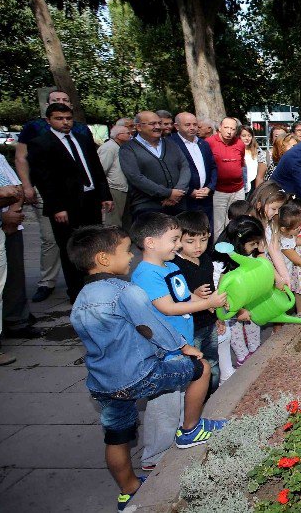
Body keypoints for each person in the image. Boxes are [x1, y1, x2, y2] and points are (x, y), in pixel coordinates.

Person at [67, 225, 225, 511]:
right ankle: (190, 429)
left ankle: (128, 491)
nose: (131, 256)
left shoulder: (81, 298)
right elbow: (152, 327)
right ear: (104, 259)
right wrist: (183, 347)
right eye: (126, 251)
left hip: (103, 383)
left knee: (117, 437)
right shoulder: (125, 291)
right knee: (200, 368)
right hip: (140, 374)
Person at [129, 212, 227, 472]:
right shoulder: (147, 274)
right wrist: (208, 303)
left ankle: (188, 428)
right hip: (165, 348)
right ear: (150, 242)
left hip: (179, 342)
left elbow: (182, 300)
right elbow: (167, 307)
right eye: (174, 239)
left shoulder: (170, 266)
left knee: (190, 383)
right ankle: (154, 457)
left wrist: (197, 299)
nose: (178, 245)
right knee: (165, 404)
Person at [27, 103, 114, 303]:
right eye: (59, 118)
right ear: (48, 120)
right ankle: (76, 291)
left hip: (90, 200)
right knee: (70, 247)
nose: (65, 122)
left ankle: (96, 284)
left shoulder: (82, 139)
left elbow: (96, 168)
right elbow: (44, 179)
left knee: (93, 243)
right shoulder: (41, 143)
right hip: (66, 205)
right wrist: (57, 206)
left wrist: (105, 195)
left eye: (68, 118)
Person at [15, 90, 91, 302]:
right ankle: (47, 282)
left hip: (83, 196)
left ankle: (87, 281)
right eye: (56, 101)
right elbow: (23, 159)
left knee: (87, 239)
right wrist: (27, 186)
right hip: (51, 194)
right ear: (47, 111)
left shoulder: (81, 130)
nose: (61, 103)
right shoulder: (34, 130)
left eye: (65, 101)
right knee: (52, 239)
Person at [173, 211, 221, 392]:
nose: (198, 246)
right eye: (190, 241)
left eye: (203, 240)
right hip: (191, 327)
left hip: (209, 323)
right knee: (197, 368)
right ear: (178, 240)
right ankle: (195, 403)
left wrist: (218, 318)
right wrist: (193, 293)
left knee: (213, 364)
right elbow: (176, 295)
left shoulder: (206, 259)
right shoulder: (176, 265)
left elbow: (212, 291)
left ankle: (211, 399)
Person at [212, 216, 267, 375]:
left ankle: (255, 350)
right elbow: (222, 291)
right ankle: (243, 357)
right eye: (252, 244)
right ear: (238, 242)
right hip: (228, 305)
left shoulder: (246, 254)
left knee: (253, 324)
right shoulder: (221, 263)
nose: (256, 247)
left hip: (246, 300)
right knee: (234, 329)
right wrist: (239, 310)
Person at [119, 111, 190, 220]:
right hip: (147, 207)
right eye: (152, 124)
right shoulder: (128, 149)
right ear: (139, 127)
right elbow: (135, 177)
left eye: (159, 123)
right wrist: (167, 193)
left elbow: (184, 166)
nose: (158, 127)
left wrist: (178, 192)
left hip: (178, 205)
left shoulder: (171, 144)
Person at [0, 152, 32, 344]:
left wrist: (14, 212)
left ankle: (15, 320)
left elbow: (16, 190)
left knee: (13, 275)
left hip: (10, 225)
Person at [170, 112, 218, 232]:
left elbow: (213, 167)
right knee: (187, 232)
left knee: (206, 231)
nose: (192, 128)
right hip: (184, 200)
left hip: (205, 198)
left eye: (195, 124)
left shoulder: (203, 144)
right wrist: (189, 191)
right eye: (187, 125)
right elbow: (171, 172)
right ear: (177, 126)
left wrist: (209, 187)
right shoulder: (170, 143)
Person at [98, 124, 132, 228]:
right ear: (118, 135)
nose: (130, 136)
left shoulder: (119, 147)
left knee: (125, 219)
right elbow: (101, 170)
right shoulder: (109, 148)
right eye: (128, 133)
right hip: (114, 188)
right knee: (113, 221)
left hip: (123, 188)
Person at [240, 126, 265, 195]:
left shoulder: (258, 151)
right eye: (243, 136)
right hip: (241, 187)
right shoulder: (236, 151)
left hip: (254, 187)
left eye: (249, 135)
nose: (247, 138)